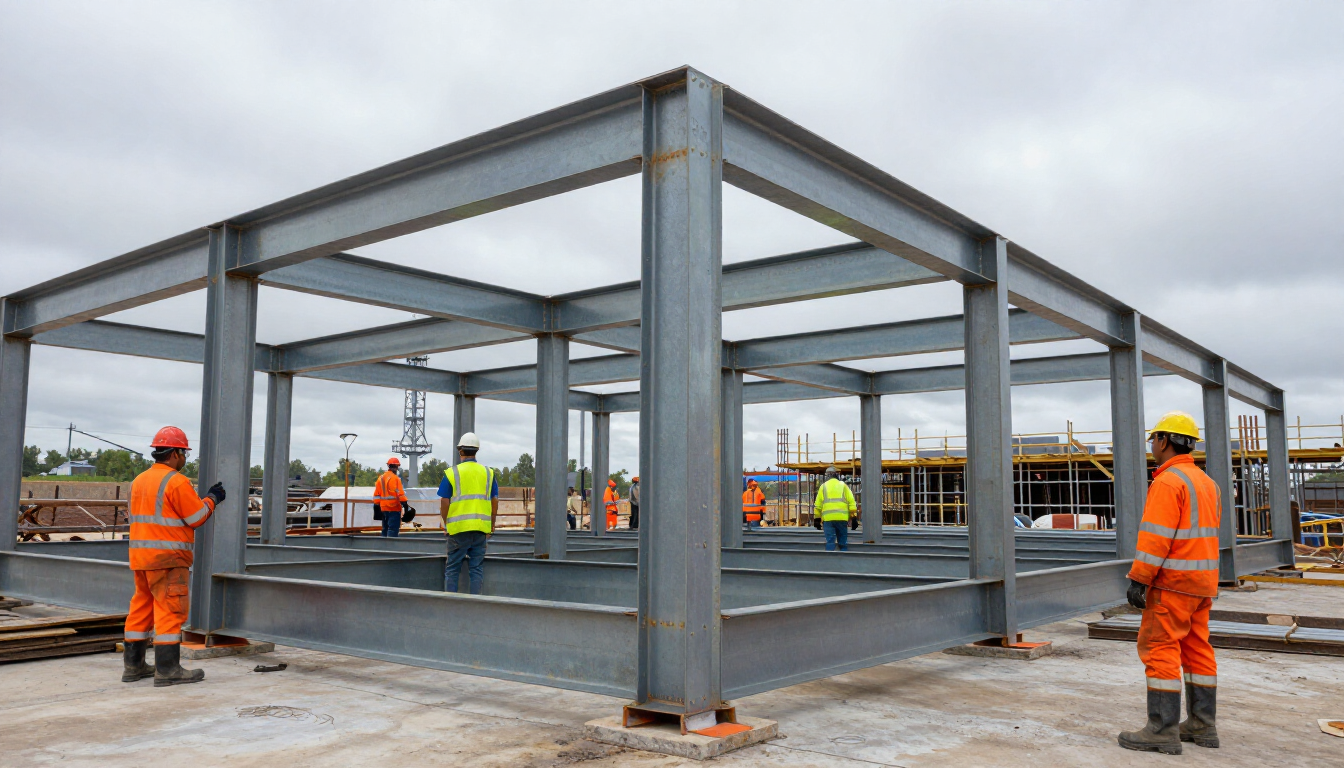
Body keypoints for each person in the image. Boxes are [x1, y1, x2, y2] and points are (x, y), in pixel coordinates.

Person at [1118, 411, 1222, 755]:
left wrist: (1139, 578)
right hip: (1202, 583)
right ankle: (1203, 725)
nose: (1152, 445)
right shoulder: (1207, 483)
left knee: (1160, 647)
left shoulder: (1167, 481)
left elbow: (1156, 538)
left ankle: (1161, 730)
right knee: (1197, 650)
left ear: (1164, 441)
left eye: (1154, 439)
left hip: (1173, 583)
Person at [122, 426, 225, 687]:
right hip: (168, 559)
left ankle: (133, 667)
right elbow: (196, 517)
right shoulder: (176, 481)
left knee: (141, 608)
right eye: (184, 454)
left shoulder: (138, 481)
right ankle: (168, 671)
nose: (185, 459)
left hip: (141, 557)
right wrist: (212, 499)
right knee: (170, 610)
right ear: (175, 453)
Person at [438, 433, 499, 594]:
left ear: (460, 451)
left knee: (452, 569)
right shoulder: (488, 473)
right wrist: (491, 525)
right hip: (480, 529)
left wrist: (446, 523)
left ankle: (450, 603)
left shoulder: (452, 473)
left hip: (458, 530)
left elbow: (444, 501)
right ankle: (475, 603)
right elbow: (494, 500)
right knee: (476, 569)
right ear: (476, 451)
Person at [813, 466, 856, 551]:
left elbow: (818, 505)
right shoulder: (843, 486)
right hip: (842, 518)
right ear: (836, 475)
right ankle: (844, 557)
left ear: (827, 475)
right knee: (843, 543)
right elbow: (851, 502)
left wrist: (817, 518)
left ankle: (830, 558)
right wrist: (853, 517)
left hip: (828, 519)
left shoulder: (823, 487)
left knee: (830, 542)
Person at [374, 457, 411, 537]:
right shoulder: (395, 479)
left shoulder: (380, 478)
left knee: (385, 529)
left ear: (389, 466)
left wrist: (378, 505)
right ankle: (391, 544)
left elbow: (376, 495)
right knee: (393, 530)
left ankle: (383, 544)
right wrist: (405, 504)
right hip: (394, 508)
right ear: (397, 467)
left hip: (383, 508)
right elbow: (400, 494)